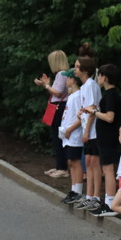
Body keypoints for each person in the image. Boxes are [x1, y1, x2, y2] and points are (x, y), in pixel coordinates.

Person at [85, 64, 121, 217]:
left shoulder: (111, 95)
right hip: (106, 137)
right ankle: (108, 201)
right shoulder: (110, 94)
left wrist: (94, 111)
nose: (98, 78)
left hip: (108, 137)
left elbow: (110, 117)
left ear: (104, 77)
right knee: (106, 169)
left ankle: (110, 204)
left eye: (99, 75)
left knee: (108, 170)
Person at [35, 50, 71, 179]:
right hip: (61, 107)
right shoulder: (64, 74)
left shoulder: (61, 74)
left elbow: (58, 93)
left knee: (58, 137)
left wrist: (46, 86)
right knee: (58, 137)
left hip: (58, 108)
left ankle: (62, 168)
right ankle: (59, 165)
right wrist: (47, 85)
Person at [74, 53, 102, 212]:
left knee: (94, 163)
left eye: (77, 67)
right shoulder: (84, 86)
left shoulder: (91, 85)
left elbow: (93, 109)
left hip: (93, 131)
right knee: (89, 162)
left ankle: (96, 196)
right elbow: (86, 108)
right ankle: (89, 195)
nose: (75, 70)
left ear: (85, 70)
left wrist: (86, 131)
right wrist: (80, 112)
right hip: (89, 130)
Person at [59, 75, 85, 206]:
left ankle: (78, 191)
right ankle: (74, 189)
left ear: (73, 80)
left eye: (68, 78)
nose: (65, 81)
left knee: (75, 162)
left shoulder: (78, 96)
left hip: (74, 135)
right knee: (71, 162)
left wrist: (70, 129)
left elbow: (82, 116)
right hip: (68, 135)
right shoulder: (72, 96)